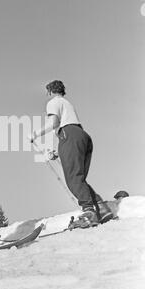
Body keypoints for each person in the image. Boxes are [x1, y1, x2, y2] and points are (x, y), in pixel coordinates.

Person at [30, 80, 112, 229]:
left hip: (70, 136)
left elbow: (54, 123)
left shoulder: (53, 102)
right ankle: (102, 208)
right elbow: (69, 127)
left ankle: (89, 212)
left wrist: (35, 134)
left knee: (73, 178)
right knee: (78, 177)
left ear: (50, 91)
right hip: (82, 136)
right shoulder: (67, 103)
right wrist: (58, 150)